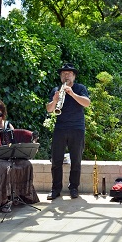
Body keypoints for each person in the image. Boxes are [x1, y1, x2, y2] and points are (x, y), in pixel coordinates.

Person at [46, 63, 91, 200]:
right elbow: (49, 109)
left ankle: (73, 188)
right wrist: (54, 101)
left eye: (69, 73)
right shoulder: (56, 89)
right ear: (61, 77)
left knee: (76, 160)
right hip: (60, 128)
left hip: (77, 128)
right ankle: (56, 189)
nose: (66, 76)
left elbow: (87, 103)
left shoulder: (80, 88)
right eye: (64, 74)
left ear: (74, 76)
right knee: (56, 160)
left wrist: (72, 93)